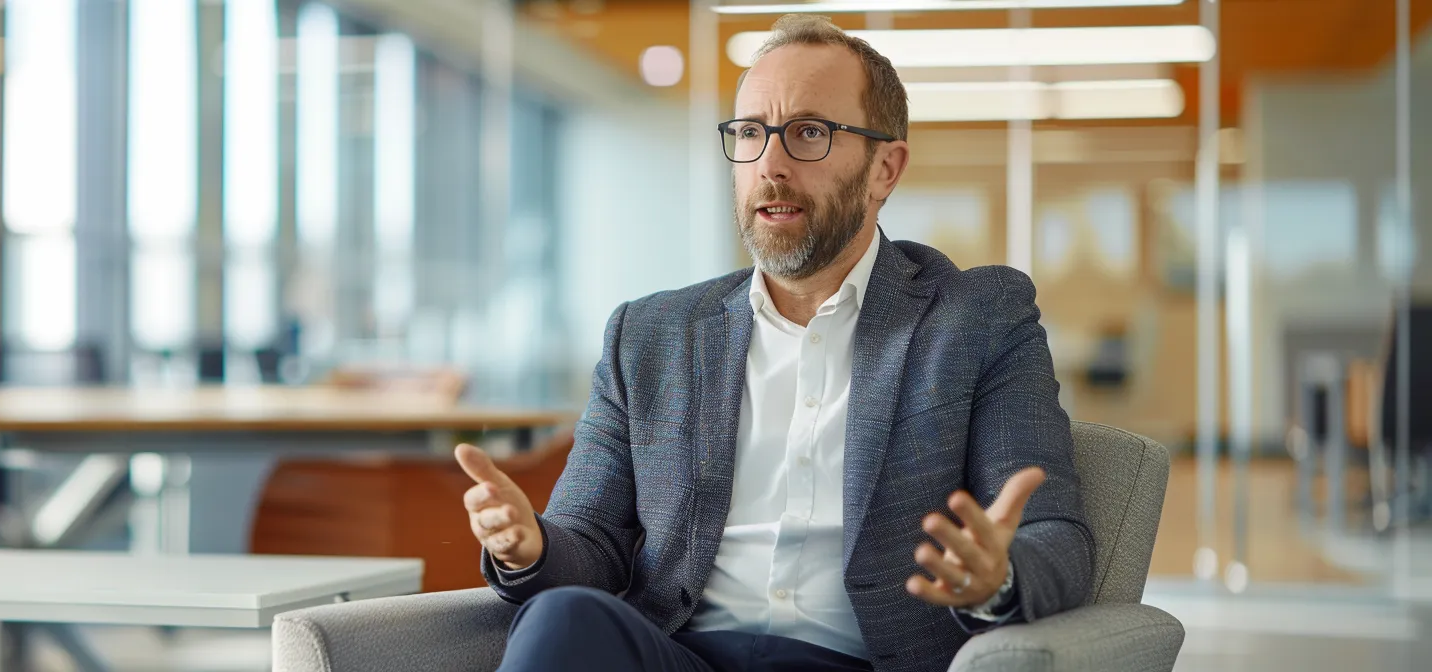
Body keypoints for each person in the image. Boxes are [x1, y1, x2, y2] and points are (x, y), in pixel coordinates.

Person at [451, 13, 1092, 672]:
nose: (771, 164)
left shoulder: (976, 320)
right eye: (751, 133)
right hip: (683, 656)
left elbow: (1056, 537)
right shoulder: (650, 335)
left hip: (859, 662)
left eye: (809, 133)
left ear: (884, 168)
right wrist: (530, 547)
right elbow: (592, 538)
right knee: (561, 618)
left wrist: (998, 576)